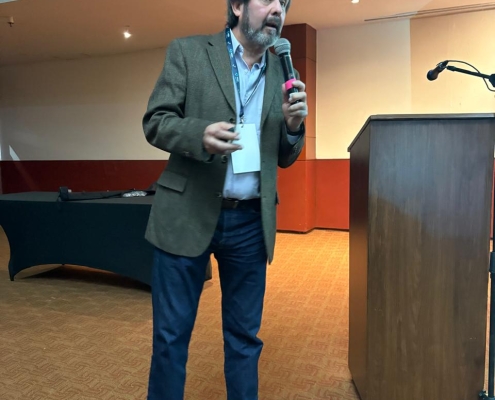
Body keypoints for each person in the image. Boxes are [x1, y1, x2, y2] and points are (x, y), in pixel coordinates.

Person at [142, 0, 308, 398]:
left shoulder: (284, 72)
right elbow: (156, 121)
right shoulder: (188, 52)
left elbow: (285, 157)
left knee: (244, 338)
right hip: (187, 212)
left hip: (250, 221)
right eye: (267, 0)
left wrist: (293, 127)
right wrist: (198, 134)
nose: (278, 10)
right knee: (170, 337)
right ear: (237, 6)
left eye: (284, 3)